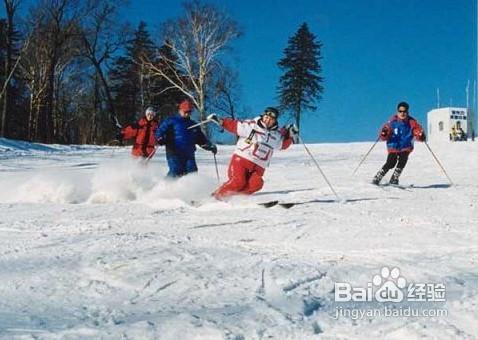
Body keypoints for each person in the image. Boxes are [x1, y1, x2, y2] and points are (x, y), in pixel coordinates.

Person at [208, 107, 298, 199]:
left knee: (257, 184)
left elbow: (282, 145)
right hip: (242, 160)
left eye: (271, 119)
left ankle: (236, 198)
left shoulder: (276, 136)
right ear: (263, 117)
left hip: (259, 167)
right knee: (238, 181)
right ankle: (214, 197)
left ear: (274, 121)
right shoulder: (251, 126)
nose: (267, 120)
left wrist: (291, 136)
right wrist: (220, 121)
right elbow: (234, 126)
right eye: (266, 117)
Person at [154, 99, 217, 178]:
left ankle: (189, 190)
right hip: (174, 152)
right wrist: (160, 138)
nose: (187, 114)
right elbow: (159, 131)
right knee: (176, 171)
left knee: (192, 173)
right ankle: (165, 187)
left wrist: (210, 146)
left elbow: (201, 140)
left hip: (189, 154)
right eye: (185, 112)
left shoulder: (193, 125)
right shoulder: (171, 121)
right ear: (180, 110)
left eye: (189, 112)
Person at [372, 101, 426, 185]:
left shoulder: (412, 122)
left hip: (406, 146)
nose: (402, 113)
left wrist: (420, 135)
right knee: (391, 162)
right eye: (400, 111)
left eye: (404, 111)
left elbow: (417, 131)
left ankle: (394, 178)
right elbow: (385, 133)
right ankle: (378, 176)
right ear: (397, 112)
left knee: (403, 160)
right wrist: (384, 133)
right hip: (394, 145)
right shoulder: (392, 121)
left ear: (407, 112)